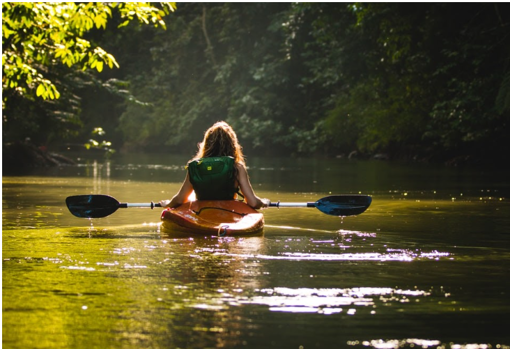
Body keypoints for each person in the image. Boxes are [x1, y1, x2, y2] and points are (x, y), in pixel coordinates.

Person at [160, 121, 269, 209]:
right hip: (229, 213)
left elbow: (180, 199)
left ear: (206, 143)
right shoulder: (237, 168)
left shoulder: (196, 167)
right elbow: (253, 203)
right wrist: (263, 202)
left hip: (201, 213)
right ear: (232, 144)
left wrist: (168, 204)